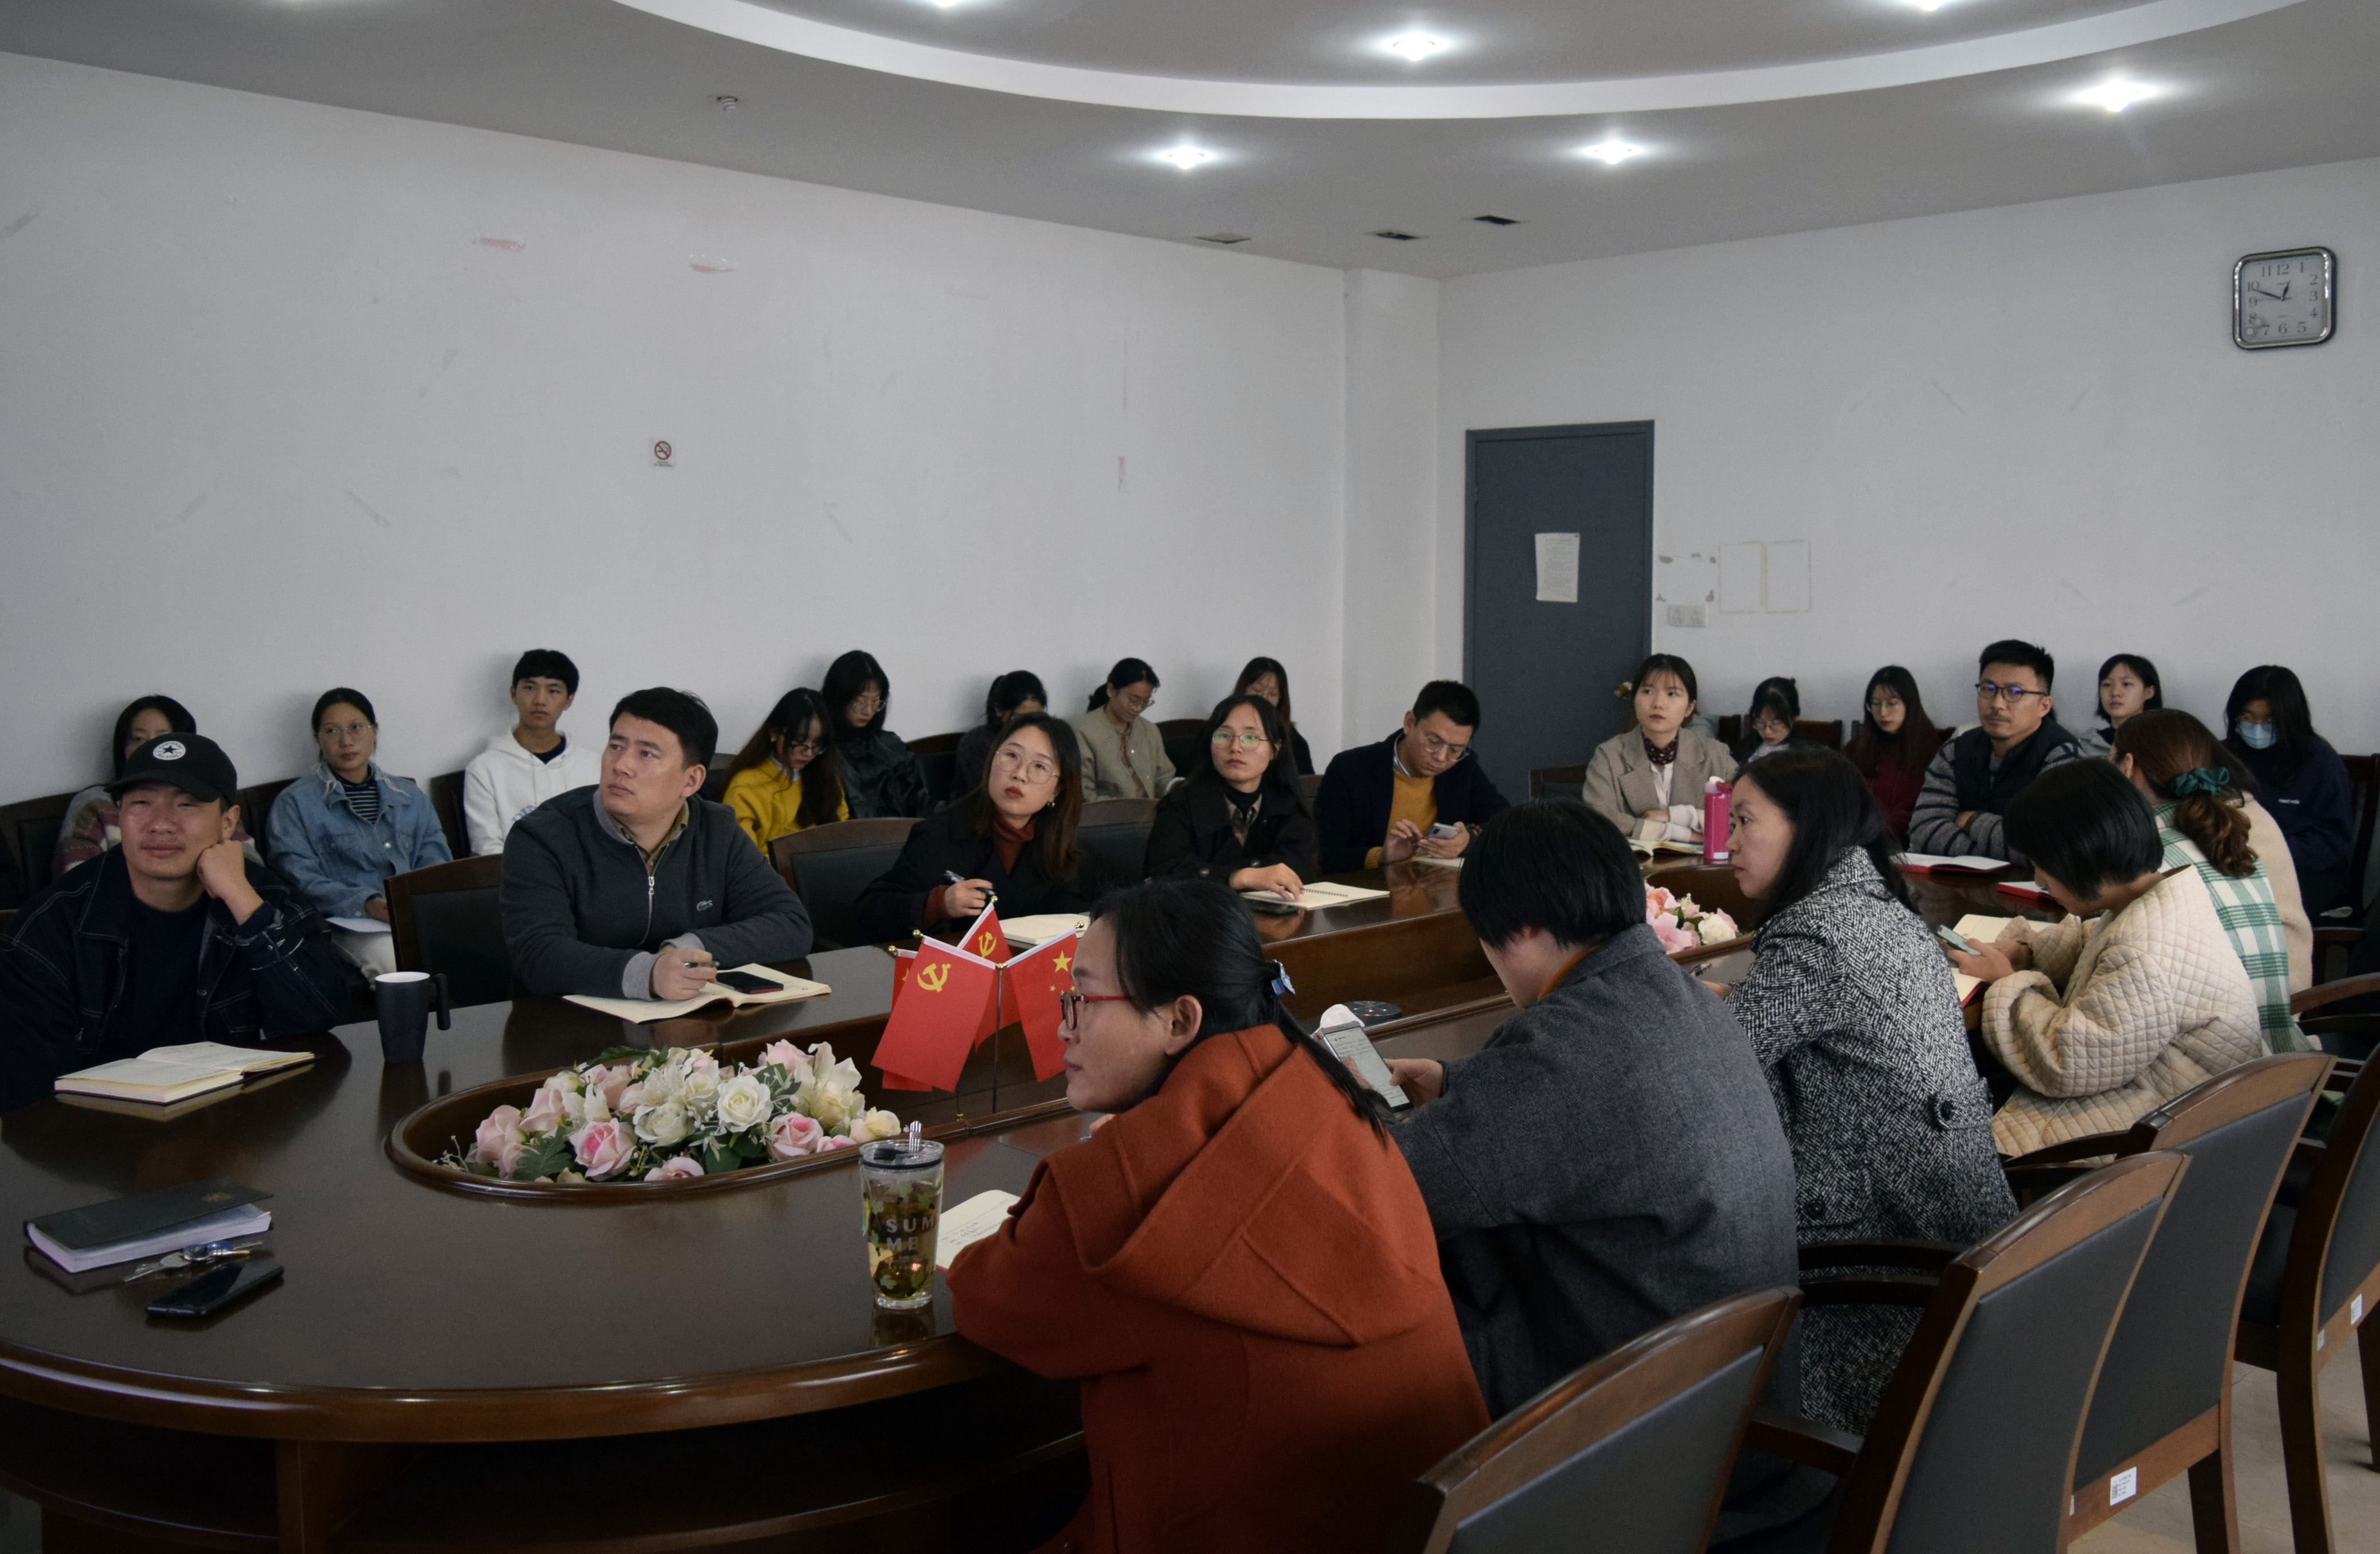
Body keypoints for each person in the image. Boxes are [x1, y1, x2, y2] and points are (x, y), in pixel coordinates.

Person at [948, 878, 1488, 1554]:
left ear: (1180, 1020)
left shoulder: (1121, 1184)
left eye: (1082, 998)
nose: (1063, 1024)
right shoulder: (1328, 1092)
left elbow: (984, 1301)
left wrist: (1121, 1152)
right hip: (1431, 1526)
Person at [1382, 800, 1799, 1417]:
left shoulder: (1562, 1044)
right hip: (1743, 1392)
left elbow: (1397, 1185)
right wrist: (1456, 1083)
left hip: (1639, 1417)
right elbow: (1596, 1105)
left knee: (1385, 1292)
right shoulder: (1684, 995)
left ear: (1523, 927)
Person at [1713, 750, 2015, 1431]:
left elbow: (1715, 1066)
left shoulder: (1818, 933)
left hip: (1877, 1266)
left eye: (1743, 821)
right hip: (1950, 1237)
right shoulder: (1875, 906)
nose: (1727, 843)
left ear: (1806, 826)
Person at [2, 735, 346, 1113]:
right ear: (120, 814)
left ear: (228, 822)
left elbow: (322, 1012)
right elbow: (31, 1093)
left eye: (187, 805)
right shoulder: (54, 923)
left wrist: (242, 901)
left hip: (232, 1124)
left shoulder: (261, 895)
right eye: (141, 803)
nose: (160, 824)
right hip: (101, 1131)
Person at [1949, 761, 2264, 1155]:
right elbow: (2098, 943)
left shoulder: (2141, 952)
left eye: (2041, 864)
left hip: (2167, 1137)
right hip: (2184, 1101)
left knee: (1961, 1117)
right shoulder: (2158, 900)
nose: (2039, 880)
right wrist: (2030, 952)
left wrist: (2005, 982)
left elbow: (2065, 1063)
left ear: (2079, 857)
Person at [501, 688, 811, 999]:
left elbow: (791, 923)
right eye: (616, 746)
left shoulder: (717, 830)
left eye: (646, 754)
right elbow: (539, 953)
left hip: (687, 1017)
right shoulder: (543, 836)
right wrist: (648, 973)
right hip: (570, 1020)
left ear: (691, 780)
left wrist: (688, 950)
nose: (621, 765)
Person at [2115, 711, 2309, 1047]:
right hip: (2276, 1024)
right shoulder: (2231, 812)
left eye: (2111, 762)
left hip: (2235, 1030)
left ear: (2128, 766)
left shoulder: (2159, 844)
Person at [856, 713, 1116, 941]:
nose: (1019, 774)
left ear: (1057, 791)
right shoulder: (939, 833)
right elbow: (869, 913)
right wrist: (937, 904)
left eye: (1040, 766)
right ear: (992, 760)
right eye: (1012, 756)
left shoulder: (1062, 845)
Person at [268, 689, 452, 980]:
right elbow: (299, 878)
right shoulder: (295, 803)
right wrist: (367, 904)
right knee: (395, 963)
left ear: (374, 731)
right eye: (332, 731)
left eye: (356, 727)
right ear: (318, 738)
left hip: (415, 915)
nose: (346, 741)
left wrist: (416, 906)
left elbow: (437, 862)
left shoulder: (409, 796)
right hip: (348, 923)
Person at [1906, 639, 2082, 863]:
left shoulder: (2064, 757)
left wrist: (1973, 820)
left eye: (2015, 692)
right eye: (1988, 689)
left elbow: (2052, 846)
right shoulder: (1956, 751)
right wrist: (1994, 854)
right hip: (1957, 883)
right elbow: (1923, 830)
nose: (1997, 704)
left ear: (2044, 706)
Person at [1315, 681, 1511, 873]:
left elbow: (1506, 822)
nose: (1441, 757)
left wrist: (1469, 840)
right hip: (1370, 887)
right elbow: (1324, 856)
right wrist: (1381, 856)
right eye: (1433, 741)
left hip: (1437, 886)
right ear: (1410, 723)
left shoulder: (1462, 767)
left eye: (1455, 749)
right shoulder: (1352, 769)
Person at [53, 695, 257, 874]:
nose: (151, 747)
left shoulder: (211, 799)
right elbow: (76, 879)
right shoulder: (95, 804)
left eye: (164, 739)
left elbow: (252, 872)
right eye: (138, 738)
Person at [1143, 694, 1317, 899]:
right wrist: (1239, 877)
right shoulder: (1180, 803)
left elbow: (1297, 868)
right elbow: (1164, 875)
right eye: (1223, 736)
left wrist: (1215, 874)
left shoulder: (1288, 804)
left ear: (1275, 750)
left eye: (1250, 738)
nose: (1235, 747)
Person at [2223, 665, 2356, 919]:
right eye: (2247, 717)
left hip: (2302, 871)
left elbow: (2332, 840)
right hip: (2235, 864)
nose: (2257, 727)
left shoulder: (2319, 761)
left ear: (2290, 718)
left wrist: (2266, 853)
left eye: (2269, 720)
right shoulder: (2224, 756)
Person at [1580, 654, 1737, 848]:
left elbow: (1742, 816)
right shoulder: (1609, 755)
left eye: (1672, 694)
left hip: (1701, 864)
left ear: (1689, 708)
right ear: (1634, 699)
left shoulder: (1716, 755)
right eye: (1648, 691)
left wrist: (1675, 815)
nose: (1658, 703)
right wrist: (1678, 833)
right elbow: (1599, 819)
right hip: (1631, 862)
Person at [461, 649, 603, 855]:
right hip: (516, 874)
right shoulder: (484, 769)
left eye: (553, 691)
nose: (540, 700)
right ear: (514, 694)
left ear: (569, 700)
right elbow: (487, 850)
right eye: (529, 688)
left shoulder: (594, 766)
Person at [720, 688, 849, 854]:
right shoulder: (746, 785)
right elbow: (742, 857)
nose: (809, 753)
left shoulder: (826, 779)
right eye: (800, 741)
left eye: (817, 744)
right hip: (767, 869)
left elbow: (842, 835)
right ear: (775, 732)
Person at [822, 650, 929, 819]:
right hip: (855, 834)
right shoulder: (822, 750)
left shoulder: (891, 745)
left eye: (875, 702)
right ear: (839, 697)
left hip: (904, 831)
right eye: (861, 701)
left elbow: (921, 801)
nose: (868, 710)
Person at [1842, 667, 1943, 842]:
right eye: (1876, 704)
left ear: (1910, 705)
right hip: (1855, 838)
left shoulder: (1931, 751)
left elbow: (1928, 810)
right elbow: (1838, 796)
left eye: (1892, 704)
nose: (1883, 713)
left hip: (1906, 842)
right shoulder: (1856, 748)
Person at [1073, 657, 1175, 802]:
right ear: (1111, 690)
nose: (1138, 708)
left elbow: (1163, 778)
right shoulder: (1084, 731)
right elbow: (1084, 792)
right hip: (1106, 814)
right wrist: (1124, 810)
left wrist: (1176, 787)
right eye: (1133, 700)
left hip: (1149, 812)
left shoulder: (1150, 731)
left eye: (1145, 702)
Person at [954, 671, 1046, 796]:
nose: (1028, 725)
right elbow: (984, 794)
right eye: (1020, 718)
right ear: (999, 710)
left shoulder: (1044, 739)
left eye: (1035, 718)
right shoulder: (977, 742)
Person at [1233, 656, 1315, 776]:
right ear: (1243, 690)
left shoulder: (1294, 742)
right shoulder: (1222, 729)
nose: (1264, 698)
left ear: (1281, 699)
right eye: (1257, 690)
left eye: (1272, 694)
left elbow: (1305, 784)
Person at [2074, 653, 2163, 758]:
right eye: (2107, 684)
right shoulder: (2086, 745)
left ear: (2149, 692)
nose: (2115, 692)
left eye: (2126, 684)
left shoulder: (2164, 742)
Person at [1733, 676, 1807, 766]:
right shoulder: (1744, 748)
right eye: (1760, 722)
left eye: (1776, 723)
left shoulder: (1808, 756)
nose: (1768, 732)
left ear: (1795, 717)